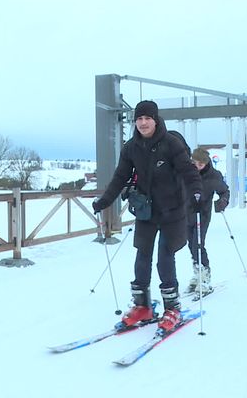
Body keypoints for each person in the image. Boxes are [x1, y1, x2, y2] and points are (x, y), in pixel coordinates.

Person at [92, 100, 202, 332]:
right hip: (146, 211)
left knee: (164, 256)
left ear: (155, 120)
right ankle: (142, 306)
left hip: (172, 210)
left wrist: (197, 192)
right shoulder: (131, 147)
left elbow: (188, 171)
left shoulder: (171, 144)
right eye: (139, 119)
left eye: (147, 118)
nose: (143, 123)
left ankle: (172, 308)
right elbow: (120, 177)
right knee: (142, 256)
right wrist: (104, 201)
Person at [185, 148, 230, 295]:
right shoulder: (186, 172)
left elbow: (224, 190)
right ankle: (197, 273)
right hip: (186, 213)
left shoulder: (213, 176)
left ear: (206, 163)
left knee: (198, 244)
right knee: (190, 244)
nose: (197, 166)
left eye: (200, 164)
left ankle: (205, 276)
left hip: (202, 214)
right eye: (194, 162)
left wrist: (222, 201)